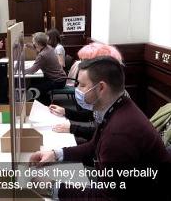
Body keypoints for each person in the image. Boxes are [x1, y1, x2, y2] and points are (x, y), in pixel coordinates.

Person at [29, 56, 171, 200]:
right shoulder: (118, 105)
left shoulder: (119, 134)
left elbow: (105, 197)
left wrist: (52, 188)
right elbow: (94, 145)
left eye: (82, 85)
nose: (78, 90)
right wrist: (55, 154)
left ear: (101, 88)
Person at [50, 43, 125, 142]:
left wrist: (72, 128)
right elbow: (91, 115)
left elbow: (102, 135)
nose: (81, 66)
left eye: (87, 63)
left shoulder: (117, 105)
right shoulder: (102, 99)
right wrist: (65, 112)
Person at [25, 32, 66, 105]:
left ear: (38, 43)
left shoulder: (42, 55)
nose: (33, 43)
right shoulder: (48, 47)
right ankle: (44, 100)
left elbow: (32, 71)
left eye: (33, 41)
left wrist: (20, 70)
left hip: (57, 81)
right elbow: (37, 47)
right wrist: (27, 45)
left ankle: (46, 104)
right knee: (34, 81)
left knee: (34, 88)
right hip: (61, 79)